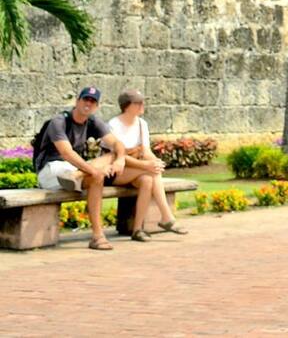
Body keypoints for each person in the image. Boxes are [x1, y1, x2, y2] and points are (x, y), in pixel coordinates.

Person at [33, 86, 147, 251]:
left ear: (97, 106)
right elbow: (66, 153)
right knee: (97, 173)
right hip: (51, 170)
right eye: (85, 99)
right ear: (77, 101)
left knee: (107, 163)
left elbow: (117, 144)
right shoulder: (58, 122)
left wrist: (120, 160)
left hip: (73, 170)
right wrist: (94, 170)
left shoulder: (93, 121)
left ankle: (97, 236)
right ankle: (77, 175)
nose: (88, 103)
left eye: (93, 101)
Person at [107, 88, 188, 240]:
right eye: (138, 103)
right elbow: (118, 155)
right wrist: (146, 166)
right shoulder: (114, 125)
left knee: (148, 179)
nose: (142, 105)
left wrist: (155, 161)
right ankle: (166, 217)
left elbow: (145, 150)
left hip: (137, 169)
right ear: (127, 106)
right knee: (151, 172)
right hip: (116, 170)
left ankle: (137, 229)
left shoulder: (141, 124)